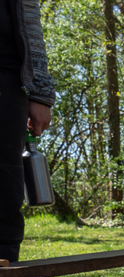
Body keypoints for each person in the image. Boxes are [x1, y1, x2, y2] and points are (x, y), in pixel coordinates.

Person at [0, 0, 56, 262]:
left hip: (7, 78)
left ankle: (6, 276)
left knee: (5, 182)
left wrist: (41, 94)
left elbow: (30, 22)